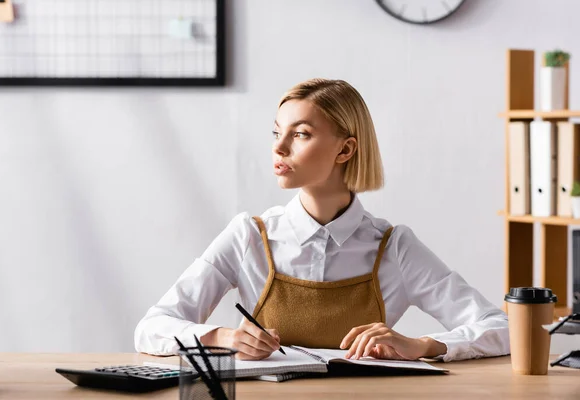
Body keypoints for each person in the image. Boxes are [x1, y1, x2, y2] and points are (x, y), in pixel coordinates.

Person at [134, 78, 510, 362]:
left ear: (345, 149)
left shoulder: (393, 247)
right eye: (277, 133)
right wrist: (222, 336)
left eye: (300, 134)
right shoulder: (248, 237)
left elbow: (503, 329)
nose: (279, 148)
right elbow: (151, 329)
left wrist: (423, 345)